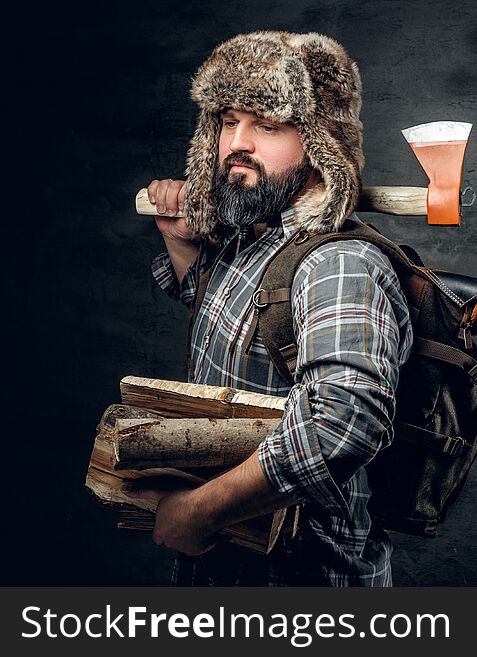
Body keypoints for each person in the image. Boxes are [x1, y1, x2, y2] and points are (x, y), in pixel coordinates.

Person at [133, 31, 413, 586]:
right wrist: (182, 243)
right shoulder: (255, 233)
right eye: (228, 121)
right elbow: (240, 341)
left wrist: (199, 511)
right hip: (224, 566)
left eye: (267, 125)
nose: (237, 142)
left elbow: (342, 423)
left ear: (319, 142)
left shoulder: (340, 263)